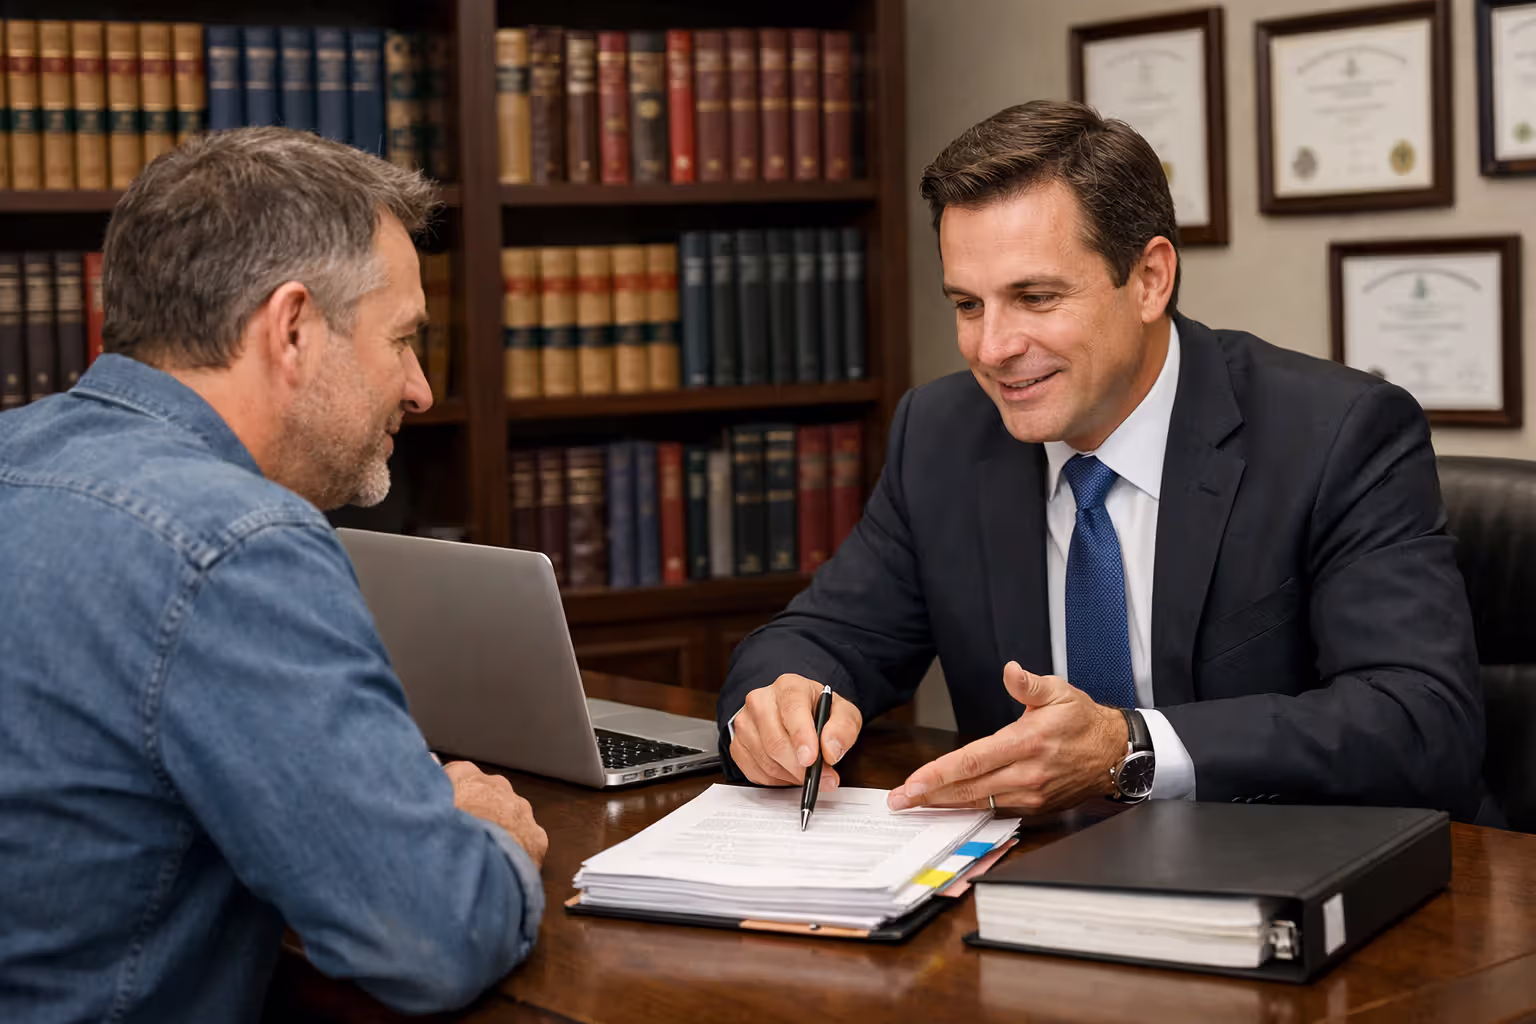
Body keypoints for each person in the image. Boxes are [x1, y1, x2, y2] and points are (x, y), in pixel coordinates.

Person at [718, 100, 1488, 823]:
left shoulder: (1336, 434)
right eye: (968, 304)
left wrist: (1132, 748)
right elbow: (820, 638)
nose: (993, 348)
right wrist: (785, 699)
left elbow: (1421, 719)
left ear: (1150, 278)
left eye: (1037, 297)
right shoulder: (944, 433)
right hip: (1028, 888)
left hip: (1284, 886)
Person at [0, 128, 547, 1022]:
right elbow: (432, 933)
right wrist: (477, 832)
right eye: (404, 340)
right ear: (291, 328)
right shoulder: (233, 545)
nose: (420, 390)